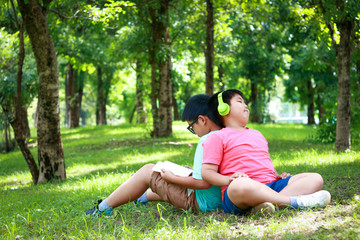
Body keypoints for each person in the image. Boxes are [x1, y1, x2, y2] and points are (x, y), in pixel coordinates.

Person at [85, 94, 223, 216]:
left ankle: (102, 209)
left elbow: (203, 183)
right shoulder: (225, 134)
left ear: (202, 120)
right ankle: (141, 196)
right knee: (170, 174)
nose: (194, 132)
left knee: (148, 171)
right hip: (218, 198)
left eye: (192, 127)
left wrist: (172, 178)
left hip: (203, 202)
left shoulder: (207, 139)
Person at [201, 89, 331, 215]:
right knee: (238, 185)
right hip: (242, 189)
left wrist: (278, 175)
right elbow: (207, 172)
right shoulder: (217, 137)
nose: (246, 105)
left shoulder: (257, 134)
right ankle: (295, 202)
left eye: (245, 102)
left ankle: (264, 205)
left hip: (271, 185)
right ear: (223, 109)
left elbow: (263, 161)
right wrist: (229, 180)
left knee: (315, 178)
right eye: (239, 101)